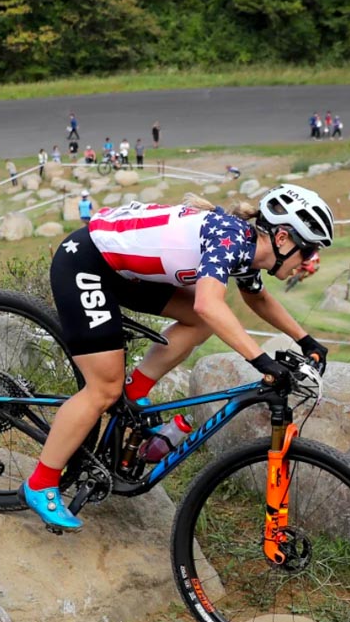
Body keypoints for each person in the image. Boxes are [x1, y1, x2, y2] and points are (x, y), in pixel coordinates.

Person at [21, 185, 333, 530]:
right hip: (87, 263)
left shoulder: (247, 248)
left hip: (124, 271)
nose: (306, 263)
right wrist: (260, 361)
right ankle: (40, 482)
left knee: (199, 324)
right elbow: (208, 303)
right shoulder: (230, 239)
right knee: (102, 390)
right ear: (284, 239)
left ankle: (135, 389)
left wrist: (306, 340)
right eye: (307, 252)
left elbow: (256, 299)